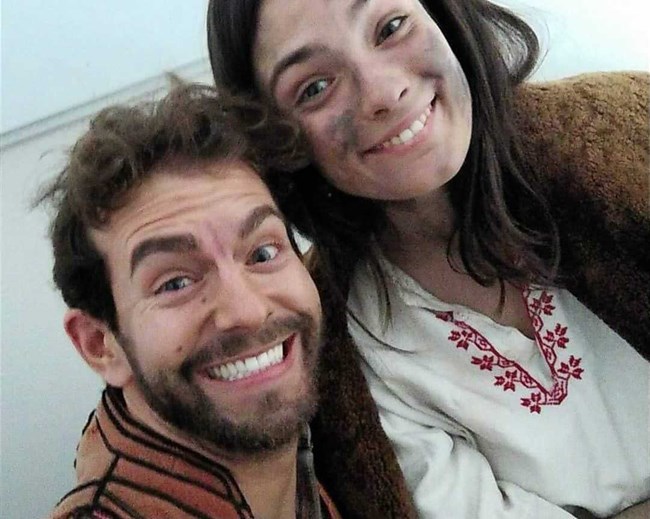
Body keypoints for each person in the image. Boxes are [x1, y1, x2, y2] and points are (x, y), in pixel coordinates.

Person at [206, 0, 650, 517]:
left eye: (391, 27)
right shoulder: (349, 353)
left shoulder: (625, 136)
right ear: (276, 139)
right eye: (316, 86)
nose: (383, 93)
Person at [38, 84, 342, 519]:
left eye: (263, 253)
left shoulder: (335, 443)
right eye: (175, 283)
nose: (248, 312)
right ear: (100, 345)